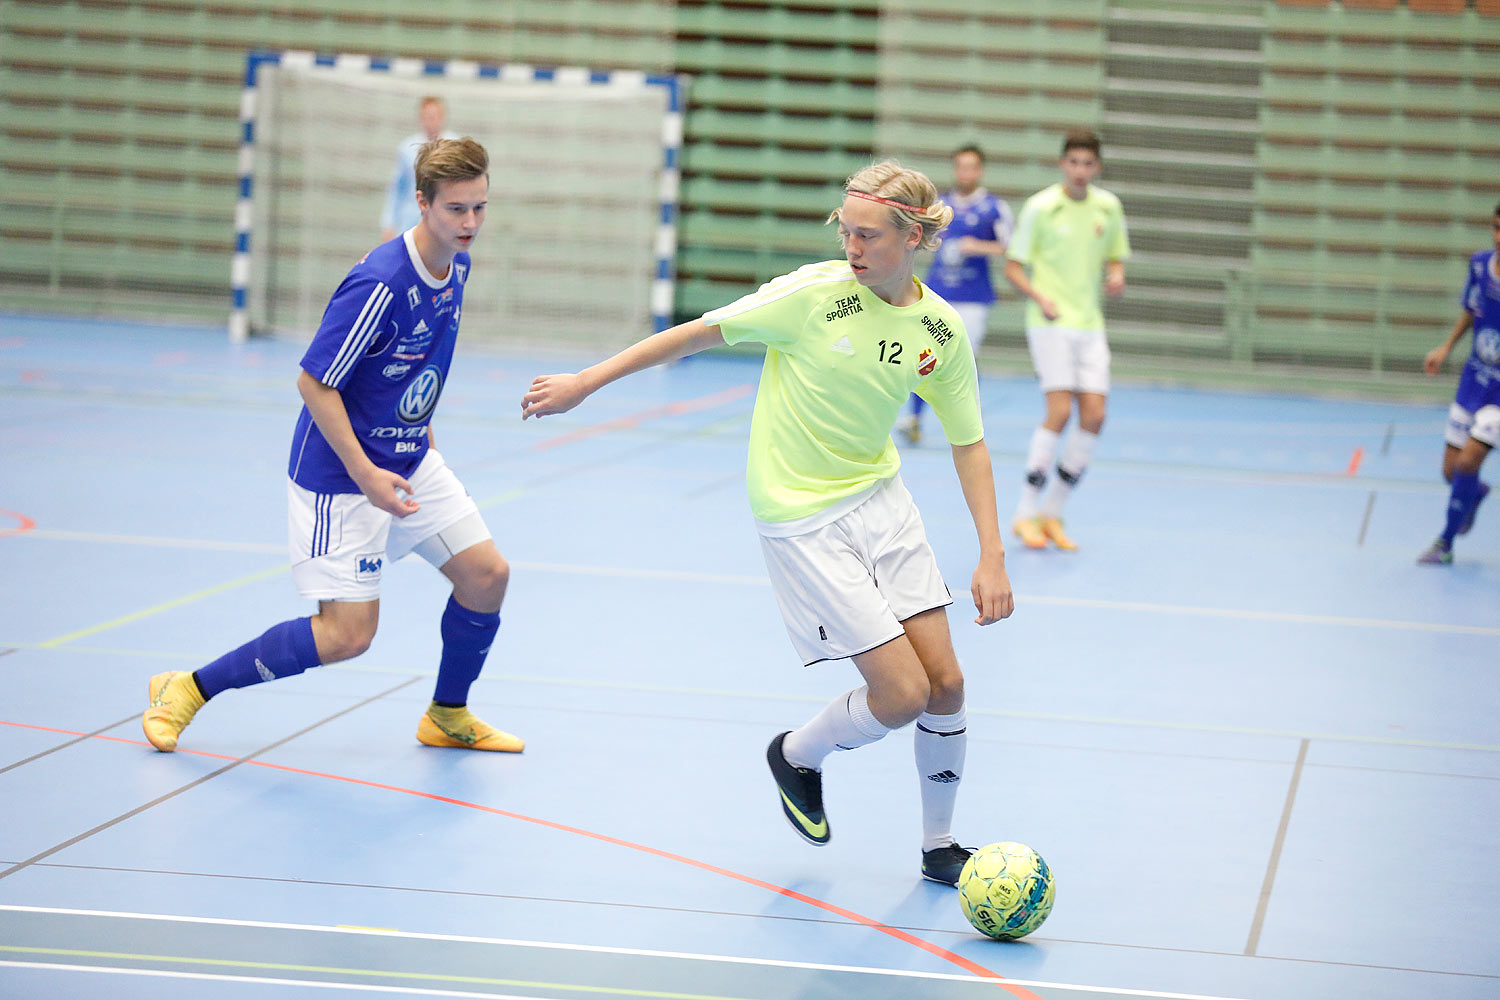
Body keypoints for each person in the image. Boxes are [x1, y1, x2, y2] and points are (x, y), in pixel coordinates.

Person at [521, 161, 1016, 885]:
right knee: (902, 695)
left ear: (911, 237)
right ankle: (797, 754)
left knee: (945, 684)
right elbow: (695, 334)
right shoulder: (812, 298)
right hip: (803, 515)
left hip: (881, 500)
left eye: (868, 234)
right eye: (845, 230)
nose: (852, 246)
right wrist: (584, 384)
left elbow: (968, 441)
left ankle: (939, 846)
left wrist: (992, 554)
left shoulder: (938, 327)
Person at [143, 138, 522, 754]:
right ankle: (186, 687)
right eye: (456, 209)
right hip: (342, 475)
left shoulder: (459, 264)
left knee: (486, 576)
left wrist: (420, 433)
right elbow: (314, 384)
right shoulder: (379, 282)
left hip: (407, 459)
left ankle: (447, 715)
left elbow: (413, 363)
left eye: (480, 207)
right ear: (421, 203)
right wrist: (368, 473)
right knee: (347, 636)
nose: (471, 223)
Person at [1004, 129, 1129, 552]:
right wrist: (1041, 296)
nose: (1080, 171)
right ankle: (1024, 513)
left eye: (1088, 164)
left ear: (1097, 167)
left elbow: (1114, 255)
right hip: (1050, 322)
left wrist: (1116, 274)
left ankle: (1052, 511)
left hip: (1090, 324)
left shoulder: (1108, 208)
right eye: (1073, 162)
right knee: (1058, 411)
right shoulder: (1041, 207)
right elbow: (1014, 266)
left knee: (1094, 415)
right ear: (1063, 164)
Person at [896, 145, 1014, 446]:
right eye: (961, 167)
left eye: (972, 167)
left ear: (981, 170)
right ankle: (914, 419)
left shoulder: (994, 208)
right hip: (938, 293)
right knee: (923, 355)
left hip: (974, 298)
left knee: (965, 357)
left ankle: (968, 420)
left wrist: (979, 246)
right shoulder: (938, 206)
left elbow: (1011, 246)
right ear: (954, 169)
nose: (966, 173)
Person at [1416, 201, 1500, 565]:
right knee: (1450, 472)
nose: (1499, 237)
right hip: (1473, 378)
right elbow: (1470, 310)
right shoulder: (1480, 265)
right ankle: (1474, 495)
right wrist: (1446, 347)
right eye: (1496, 228)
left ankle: (1445, 543)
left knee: (1467, 464)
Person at [381, 96, 458, 242]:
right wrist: (389, 223)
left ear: (443, 117)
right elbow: (397, 189)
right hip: (410, 221)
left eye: (434, 116)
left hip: (444, 222)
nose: (430, 121)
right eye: (426, 116)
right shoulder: (407, 148)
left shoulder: (455, 145)